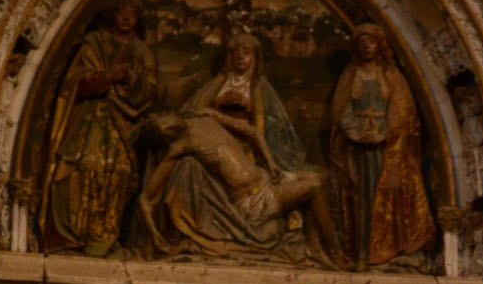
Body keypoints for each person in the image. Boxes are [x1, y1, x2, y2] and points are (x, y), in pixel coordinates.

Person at [139, 32, 337, 261]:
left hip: (262, 174)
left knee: (319, 177)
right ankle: (333, 253)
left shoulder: (208, 116)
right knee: (313, 186)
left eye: (246, 52)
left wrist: (271, 163)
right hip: (252, 199)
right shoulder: (181, 145)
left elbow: (255, 130)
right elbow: (146, 197)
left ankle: (314, 247)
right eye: (235, 53)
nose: (240, 57)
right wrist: (155, 238)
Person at [40, 0, 156, 255]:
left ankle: (105, 237)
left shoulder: (141, 51)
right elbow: (77, 81)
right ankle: (73, 236)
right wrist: (108, 78)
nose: (126, 18)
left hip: (123, 122)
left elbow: (150, 89)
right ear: (112, 15)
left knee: (119, 171)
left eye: (132, 13)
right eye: (121, 12)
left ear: (138, 19)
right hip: (91, 116)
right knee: (84, 165)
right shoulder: (95, 42)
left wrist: (129, 79)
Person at [328, 23, 437, 268]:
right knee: (359, 198)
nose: (367, 46)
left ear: (380, 45)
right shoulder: (351, 76)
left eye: (372, 41)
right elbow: (340, 110)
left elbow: (404, 113)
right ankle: (360, 253)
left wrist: (384, 134)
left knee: (385, 195)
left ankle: (383, 251)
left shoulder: (391, 76)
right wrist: (353, 131)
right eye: (362, 41)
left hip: (386, 149)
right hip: (356, 149)